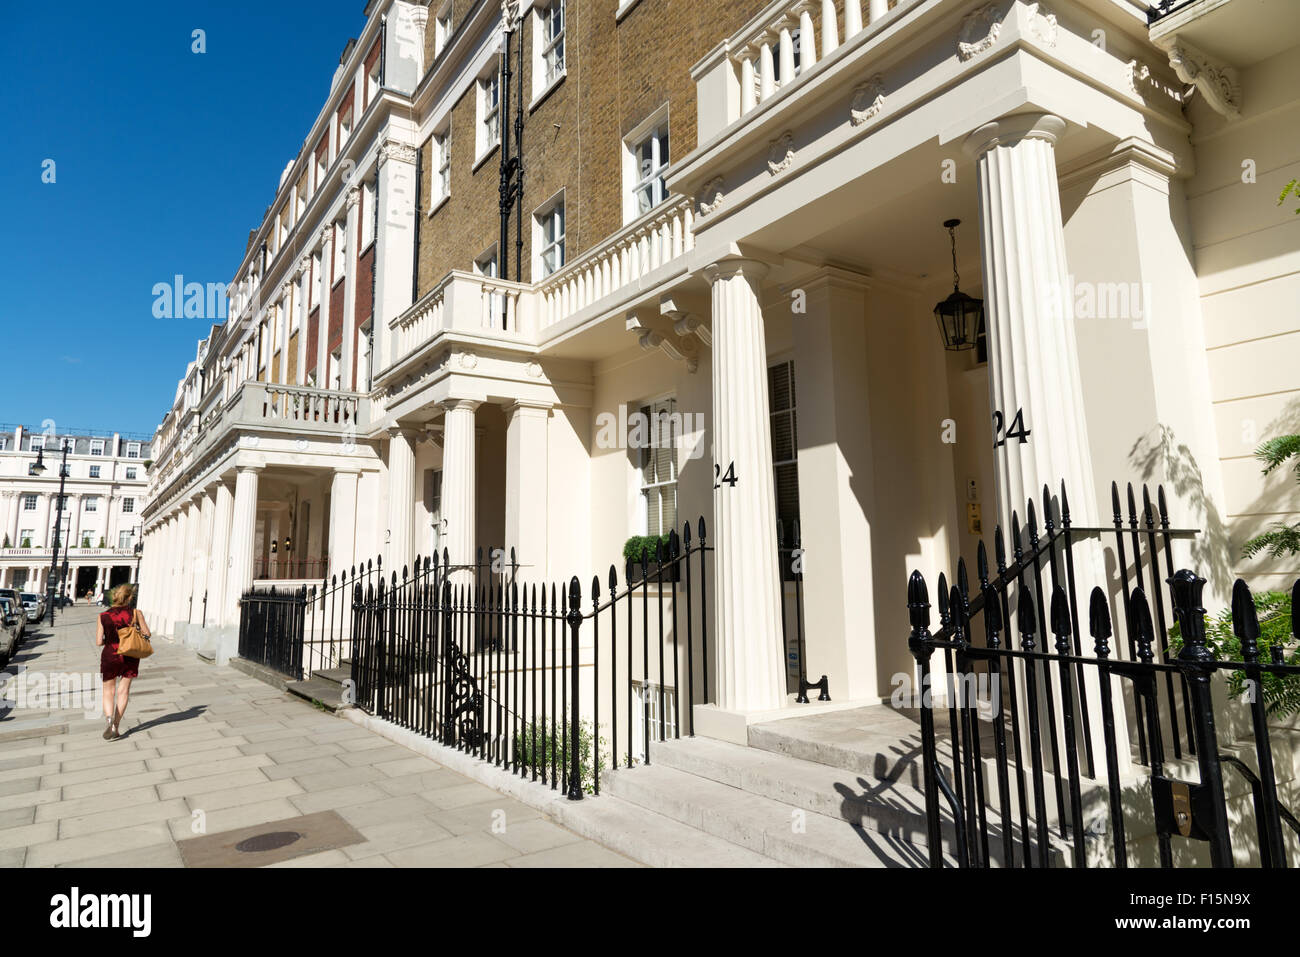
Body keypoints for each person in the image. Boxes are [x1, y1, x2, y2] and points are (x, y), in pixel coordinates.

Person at [96, 583, 149, 740]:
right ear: (130, 598)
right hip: (130, 654)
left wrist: (112, 638)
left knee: (108, 691)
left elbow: (99, 641)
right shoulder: (136, 613)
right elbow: (147, 633)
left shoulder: (102, 616)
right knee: (123, 691)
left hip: (110, 654)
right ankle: (116, 726)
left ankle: (108, 720)